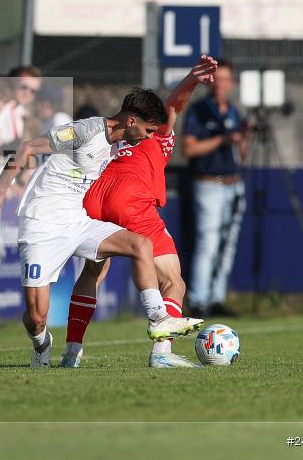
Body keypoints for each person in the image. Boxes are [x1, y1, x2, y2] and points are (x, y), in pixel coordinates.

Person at [0, 88, 203, 368]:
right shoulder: (85, 131)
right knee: (37, 317)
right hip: (42, 223)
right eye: (148, 130)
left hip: (77, 221)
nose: (149, 137)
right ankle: (41, 343)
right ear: (131, 122)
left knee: (140, 245)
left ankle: (159, 319)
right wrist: (0, 190)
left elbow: (168, 113)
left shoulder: (121, 143)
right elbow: (28, 147)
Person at [59, 56, 217, 369]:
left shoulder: (117, 135)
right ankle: (162, 353)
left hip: (96, 198)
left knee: (93, 271)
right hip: (131, 200)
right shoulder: (157, 134)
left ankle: (71, 351)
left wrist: (190, 80)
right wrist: (192, 80)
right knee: (174, 282)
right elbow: (173, 105)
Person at [183, 59, 250, 317]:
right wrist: (222, 139)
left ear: (231, 83)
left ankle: (217, 296)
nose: (221, 85)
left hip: (233, 184)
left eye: (225, 80)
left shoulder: (233, 112)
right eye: (217, 79)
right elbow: (190, 149)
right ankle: (199, 299)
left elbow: (241, 155)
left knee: (227, 245)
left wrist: (243, 137)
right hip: (209, 184)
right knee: (208, 243)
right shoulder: (200, 111)